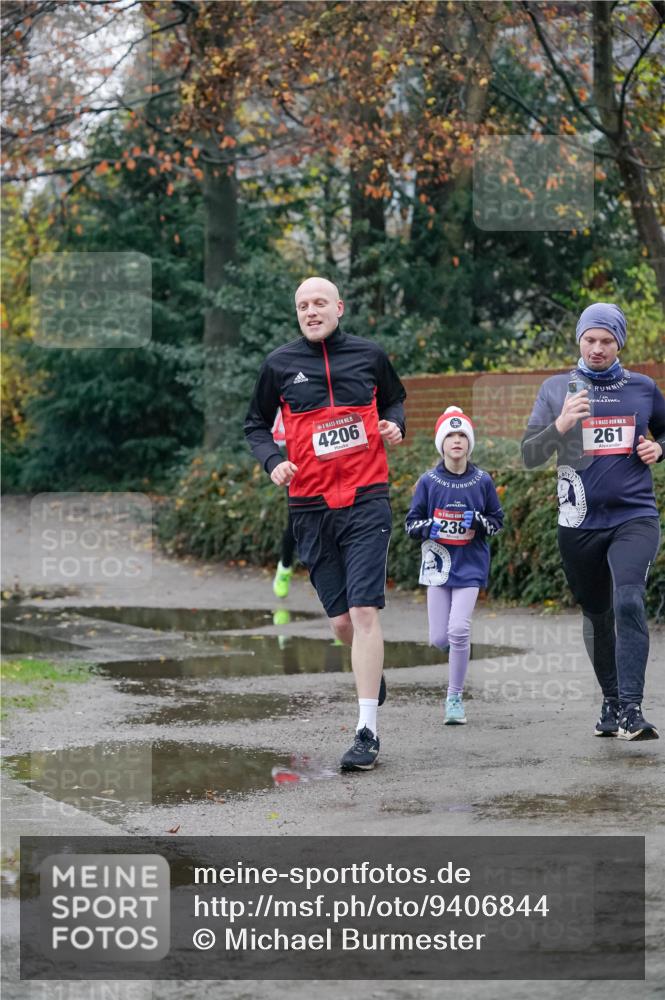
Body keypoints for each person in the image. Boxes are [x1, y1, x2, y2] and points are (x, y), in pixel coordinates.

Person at [244, 276, 406, 771]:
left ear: (339, 307)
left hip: (365, 499)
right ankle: (370, 674)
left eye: (319, 303)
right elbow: (254, 423)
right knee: (340, 622)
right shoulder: (279, 365)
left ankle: (366, 732)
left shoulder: (369, 355)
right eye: (302, 306)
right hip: (310, 507)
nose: (311, 311)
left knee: (363, 613)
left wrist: (395, 424)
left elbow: (396, 399)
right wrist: (273, 461)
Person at [522, 302, 665, 740]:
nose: (598, 348)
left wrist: (659, 450)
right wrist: (562, 424)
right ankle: (610, 699)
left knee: (628, 600)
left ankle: (631, 710)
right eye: (590, 340)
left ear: (619, 342)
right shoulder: (554, 389)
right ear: (579, 341)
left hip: (634, 515)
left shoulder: (642, 388)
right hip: (578, 522)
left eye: (607, 340)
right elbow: (529, 455)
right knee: (598, 613)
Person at [405, 407, 504, 724]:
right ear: (441, 443)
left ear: (470, 443)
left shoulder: (482, 480)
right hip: (438, 567)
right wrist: (430, 527)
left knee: (459, 630)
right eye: (451, 435)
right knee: (439, 639)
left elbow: (497, 523)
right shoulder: (428, 481)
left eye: (462, 435)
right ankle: (457, 652)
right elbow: (410, 525)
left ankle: (454, 699)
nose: (457, 440)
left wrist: (479, 521)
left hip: (471, 566)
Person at [270, 408, 297, 599]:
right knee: (295, 526)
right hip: (297, 476)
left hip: (328, 476)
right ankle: (285, 568)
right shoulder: (288, 403)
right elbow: (276, 438)